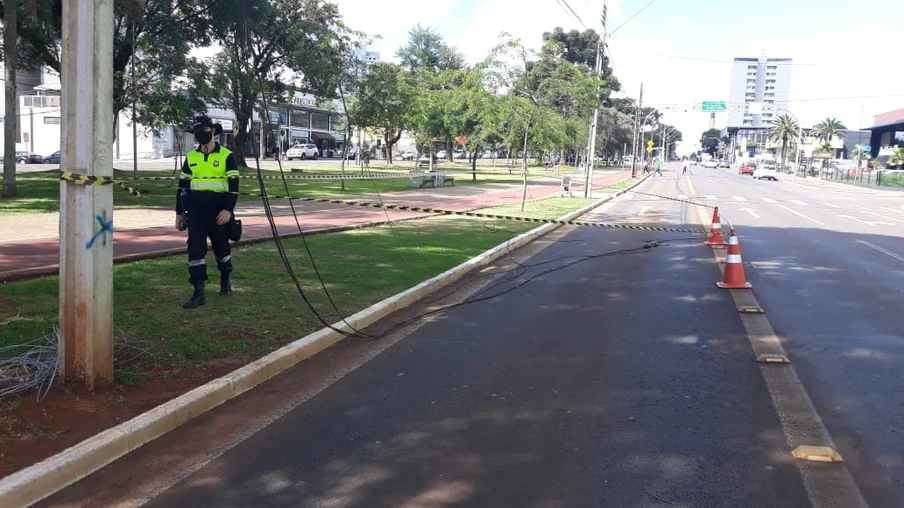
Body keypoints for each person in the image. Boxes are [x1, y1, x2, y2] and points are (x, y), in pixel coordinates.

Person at [175, 115, 241, 308]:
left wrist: (228, 209)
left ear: (212, 130)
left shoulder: (226, 155)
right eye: (197, 132)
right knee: (195, 248)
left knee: (221, 248)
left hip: (219, 208)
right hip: (196, 208)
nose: (200, 135)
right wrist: (179, 213)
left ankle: (225, 278)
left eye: (204, 130)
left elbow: (234, 186)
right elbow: (183, 187)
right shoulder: (191, 157)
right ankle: (198, 292)